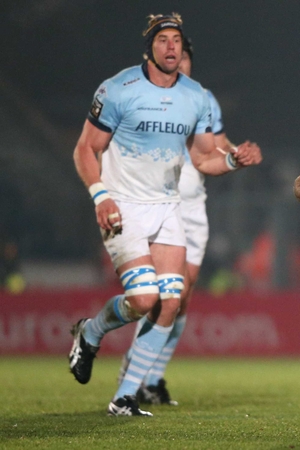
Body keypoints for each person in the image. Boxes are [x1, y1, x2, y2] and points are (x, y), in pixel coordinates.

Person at [69, 13, 261, 416]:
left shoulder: (196, 96)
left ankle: (125, 396)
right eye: (163, 40)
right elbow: (86, 148)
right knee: (144, 299)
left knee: (170, 302)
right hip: (123, 205)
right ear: (150, 48)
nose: (171, 46)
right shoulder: (118, 88)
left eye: (176, 39)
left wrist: (233, 160)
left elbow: (202, 158)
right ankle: (91, 331)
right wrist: (100, 196)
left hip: (167, 207)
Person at [116, 36, 261, 406]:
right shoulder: (142, 98)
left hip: (194, 205)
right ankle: (135, 373)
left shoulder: (202, 100)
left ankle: (153, 377)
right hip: (160, 204)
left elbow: (217, 143)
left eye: (183, 58)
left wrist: (237, 153)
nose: (177, 63)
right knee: (167, 292)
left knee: (182, 296)